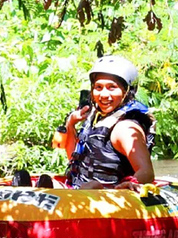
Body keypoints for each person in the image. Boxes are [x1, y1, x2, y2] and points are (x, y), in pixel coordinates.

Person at [64, 55, 156, 190]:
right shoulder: (96, 117)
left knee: (92, 186)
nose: (104, 95)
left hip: (106, 195)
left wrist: (131, 183)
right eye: (98, 87)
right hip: (77, 190)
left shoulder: (126, 128)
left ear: (127, 91)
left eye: (112, 87)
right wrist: (70, 124)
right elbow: (72, 157)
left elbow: (147, 172)